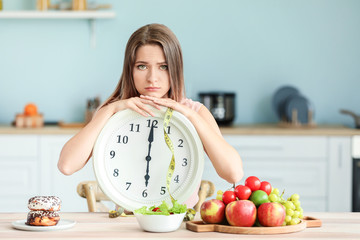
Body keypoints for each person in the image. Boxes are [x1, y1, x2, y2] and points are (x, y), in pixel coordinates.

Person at [58, 23, 243, 208]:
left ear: (175, 69)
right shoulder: (113, 112)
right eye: (142, 66)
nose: (152, 78)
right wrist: (109, 110)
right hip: (128, 226)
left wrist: (190, 116)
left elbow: (233, 173)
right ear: (129, 70)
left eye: (163, 67)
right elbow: (67, 165)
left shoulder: (195, 111)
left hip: (179, 228)